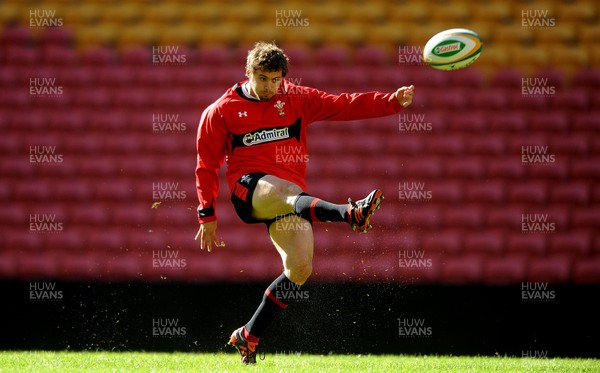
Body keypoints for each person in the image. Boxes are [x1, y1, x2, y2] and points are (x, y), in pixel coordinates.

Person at [195, 41, 414, 364]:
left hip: (291, 200)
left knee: (300, 268)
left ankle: (249, 335)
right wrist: (207, 213)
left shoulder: (296, 98)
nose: (270, 86)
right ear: (248, 73)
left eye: (276, 79)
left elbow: (344, 104)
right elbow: (206, 165)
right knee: (285, 190)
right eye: (263, 78)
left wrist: (392, 102)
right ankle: (350, 213)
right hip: (250, 189)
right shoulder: (221, 111)